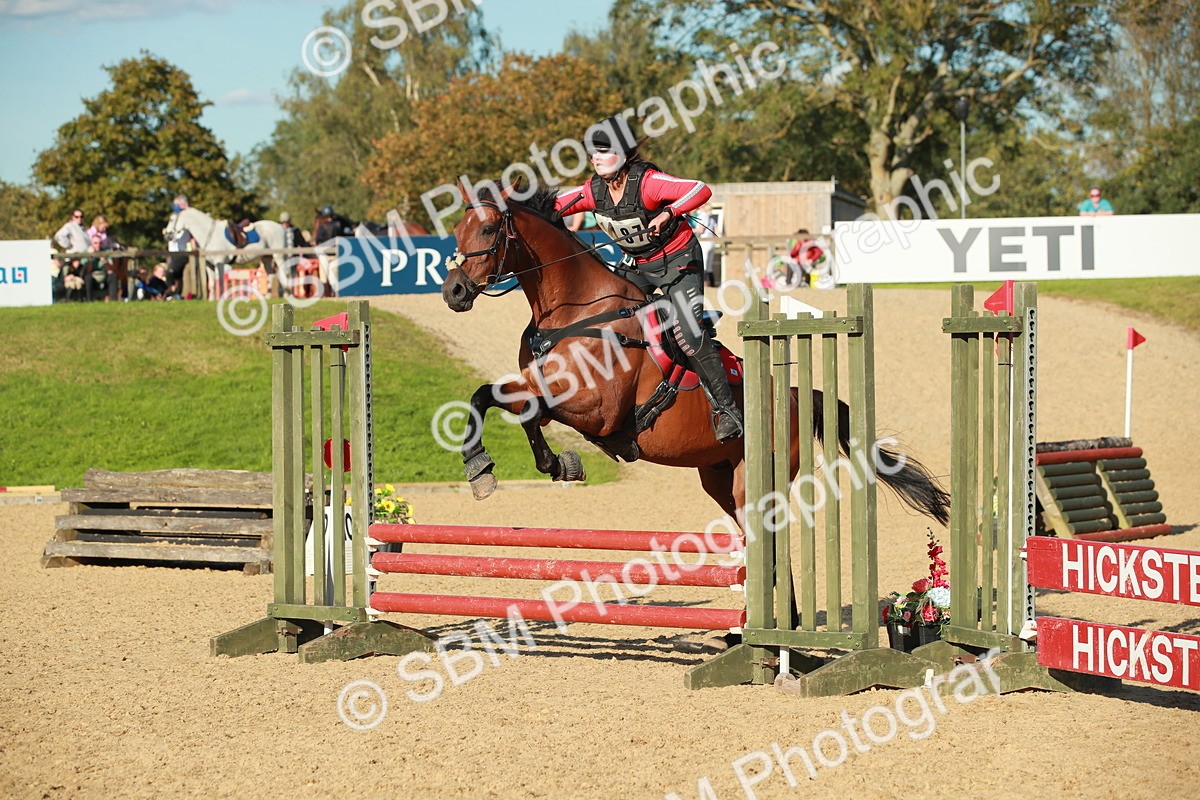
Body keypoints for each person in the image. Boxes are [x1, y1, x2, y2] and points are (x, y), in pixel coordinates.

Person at [553, 116, 743, 442]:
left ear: (625, 154)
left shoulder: (648, 182)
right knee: (605, 318)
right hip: (638, 265)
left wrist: (670, 212)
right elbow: (552, 205)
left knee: (686, 331)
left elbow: (700, 189)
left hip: (679, 263)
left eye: (603, 151)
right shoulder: (593, 190)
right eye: (592, 152)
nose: (595, 158)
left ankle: (728, 411)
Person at [166, 194, 192, 295]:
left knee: (171, 272)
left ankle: (172, 291)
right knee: (178, 275)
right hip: (172, 250)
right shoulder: (174, 216)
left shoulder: (188, 218)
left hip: (182, 250)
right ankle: (176, 294)